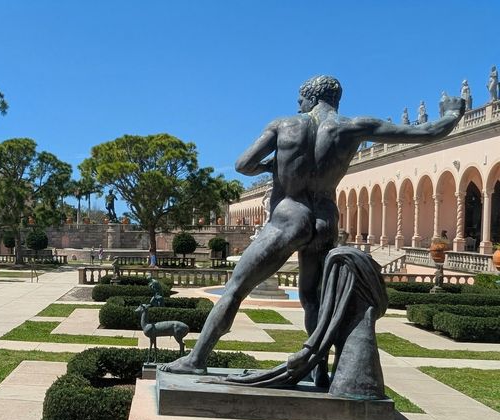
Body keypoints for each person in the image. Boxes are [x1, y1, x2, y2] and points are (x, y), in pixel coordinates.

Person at [162, 75, 465, 384]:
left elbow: (243, 165)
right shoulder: (354, 126)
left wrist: (272, 166)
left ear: (311, 97)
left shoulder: (284, 124)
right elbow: (428, 131)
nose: (298, 104)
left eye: (300, 98)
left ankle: (196, 359)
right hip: (324, 220)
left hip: (288, 216)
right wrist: (453, 112)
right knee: (313, 299)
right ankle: (318, 371)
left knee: (236, 288)